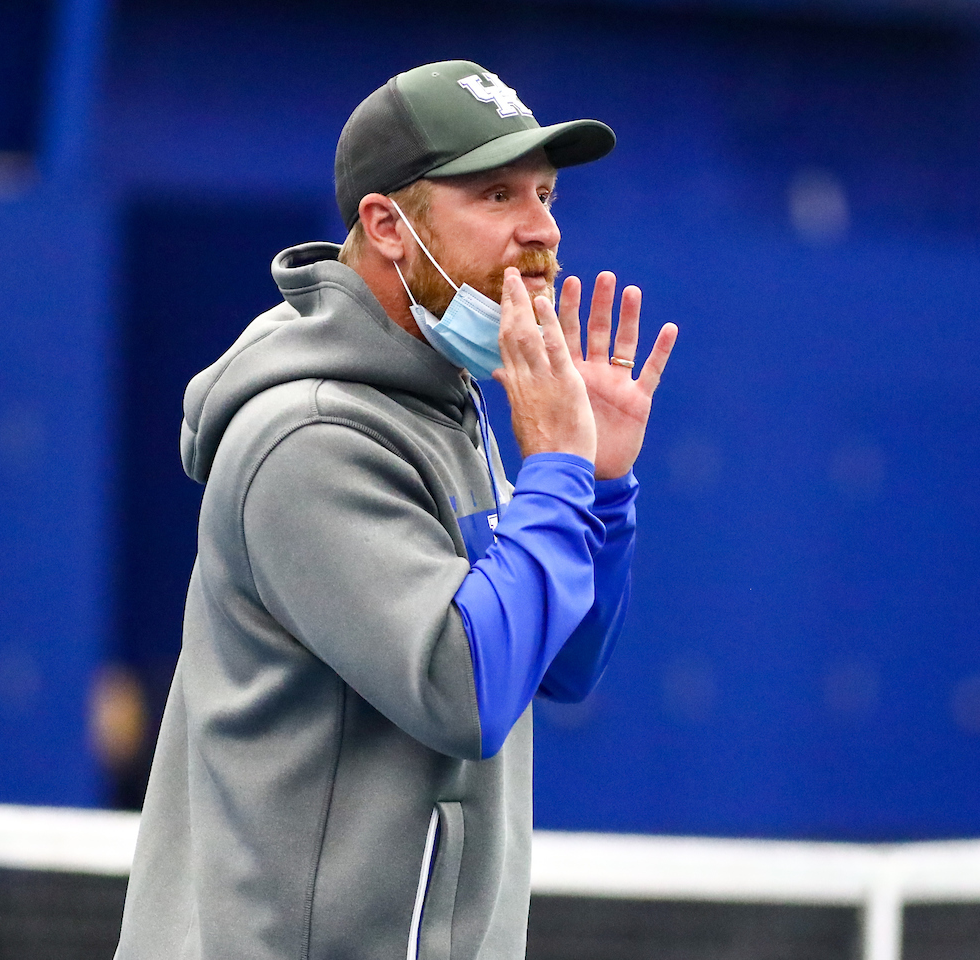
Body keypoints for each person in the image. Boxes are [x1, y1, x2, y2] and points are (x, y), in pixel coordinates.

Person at [114, 60, 677, 960]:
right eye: (497, 194)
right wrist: (555, 471)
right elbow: (468, 691)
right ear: (387, 227)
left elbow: (560, 663)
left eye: (546, 195)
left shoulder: (447, 406)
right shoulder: (305, 439)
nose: (542, 229)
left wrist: (599, 488)